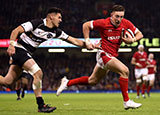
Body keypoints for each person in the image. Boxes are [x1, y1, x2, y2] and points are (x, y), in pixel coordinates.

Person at [0, 7, 97, 113]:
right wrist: (11, 45)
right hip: (19, 49)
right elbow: (16, 30)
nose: (61, 20)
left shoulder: (56, 32)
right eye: (59, 17)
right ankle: (41, 105)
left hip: (26, 53)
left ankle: (41, 105)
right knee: (38, 73)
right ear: (51, 16)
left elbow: (73, 40)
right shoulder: (37, 23)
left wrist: (89, 45)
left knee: (7, 81)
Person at [57, 5, 143, 110]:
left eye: (121, 17)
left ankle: (67, 83)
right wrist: (87, 41)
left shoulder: (126, 23)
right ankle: (127, 101)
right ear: (111, 15)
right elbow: (86, 25)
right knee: (125, 71)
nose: (119, 19)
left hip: (111, 55)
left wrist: (132, 40)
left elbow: (140, 34)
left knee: (92, 81)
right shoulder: (104, 23)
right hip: (103, 54)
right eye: (117, 16)